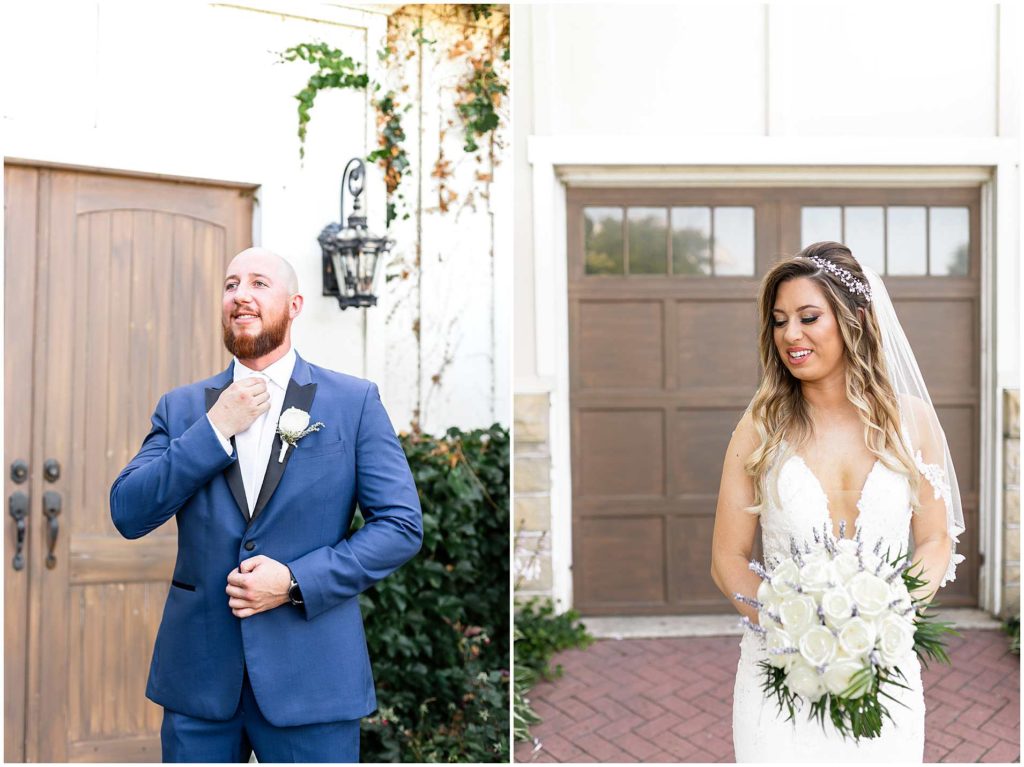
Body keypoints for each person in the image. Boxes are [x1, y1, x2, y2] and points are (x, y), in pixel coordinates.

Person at [110, 247, 422, 763]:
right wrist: (213, 430)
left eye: (259, 283)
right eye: (231, 284)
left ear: (295, 305)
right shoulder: (183, 408)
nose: (241, 296)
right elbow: (128, 511)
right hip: (200, 679)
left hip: (313, 676)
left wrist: (297, 582)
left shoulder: (352, 401)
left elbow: (400, 526)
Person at [710, 242, 964, 762]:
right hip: (779, 672)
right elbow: (727, 559)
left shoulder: (911, 422)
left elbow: (936, 538)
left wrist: (885, 620)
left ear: (856, 321)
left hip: (883, 671)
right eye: (779, 321)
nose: (790, 335)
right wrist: (789, 624)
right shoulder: (760, 428)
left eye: (808, 317)